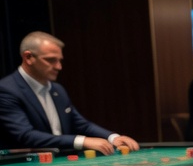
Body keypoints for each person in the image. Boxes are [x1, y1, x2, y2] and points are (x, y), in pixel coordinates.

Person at [0, 31, 140, 153]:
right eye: (51, 60)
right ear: (28, 57)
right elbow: (26, 135)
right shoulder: (7, 90)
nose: (59, 67)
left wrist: (113, 137)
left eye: (60, 60)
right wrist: (82, 141)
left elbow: (81, 124)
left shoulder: (57, 89)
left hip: (60, 162)